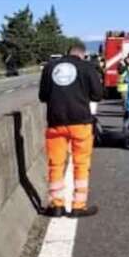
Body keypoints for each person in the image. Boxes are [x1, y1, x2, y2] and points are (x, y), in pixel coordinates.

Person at [37, 42, 103, 218]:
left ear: (67, 53)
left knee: (55, 164)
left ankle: (56, 206)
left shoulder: (50, 67)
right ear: (82, 54)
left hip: (55, 123)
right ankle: (78, 206)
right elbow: (98, 95)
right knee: (81, 164)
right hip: (81, 123)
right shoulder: (87, 67)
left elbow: (43, 96)